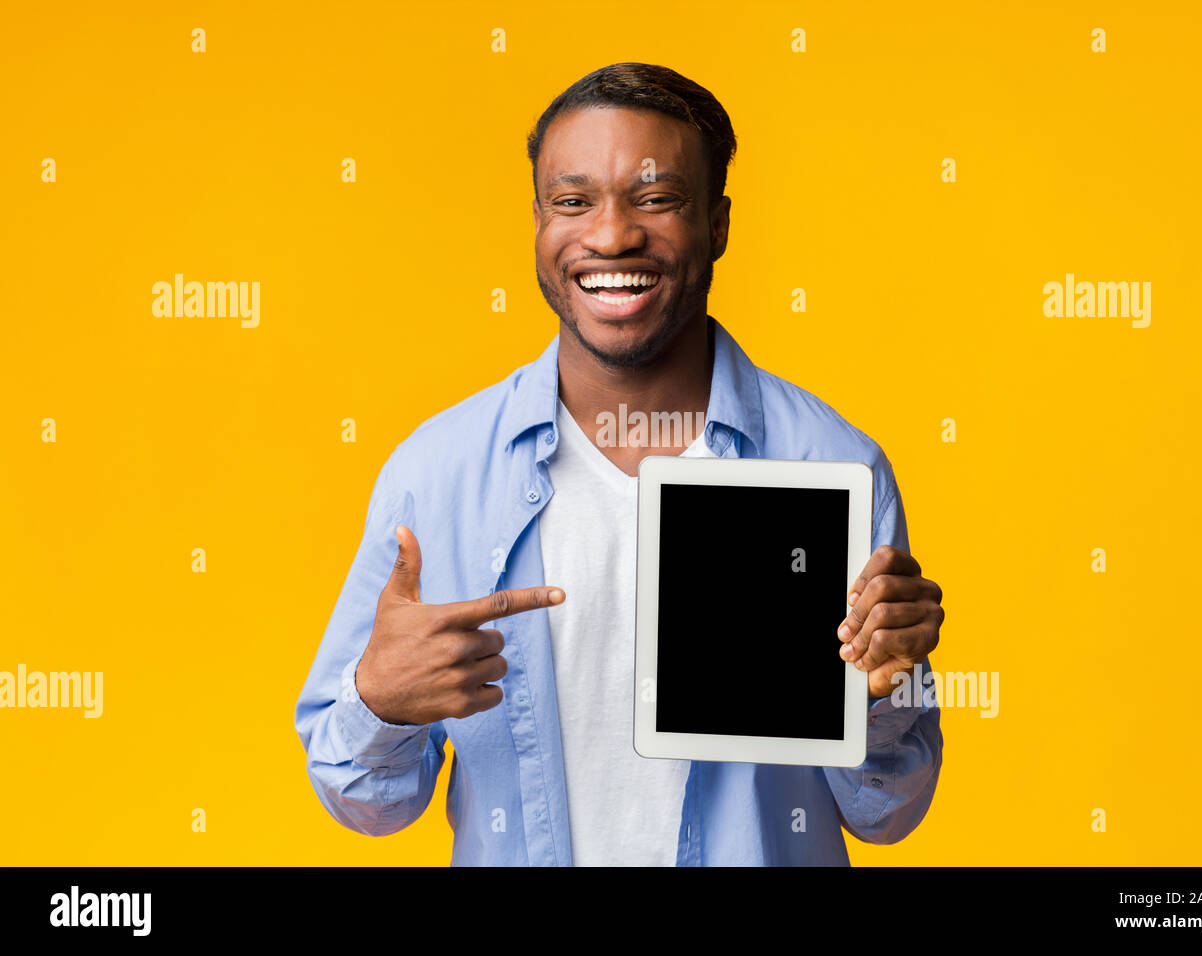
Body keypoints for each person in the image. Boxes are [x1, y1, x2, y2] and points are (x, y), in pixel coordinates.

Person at [294, 62, 944, 866]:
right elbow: (366, 802)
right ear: (537, 220)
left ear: (718, 224)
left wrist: (888, 695)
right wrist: (378, 702)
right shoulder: (438, 476)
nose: (610, 236)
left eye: (656, 198)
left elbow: (887, 813)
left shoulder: (835, 468)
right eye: (573, 202)